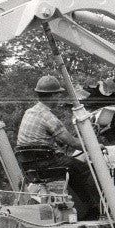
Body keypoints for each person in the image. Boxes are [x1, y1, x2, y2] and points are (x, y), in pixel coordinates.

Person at [16, 75, 100, 220]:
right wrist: (94, 147)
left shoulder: (29, 112)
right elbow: (72, 143)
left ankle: (83, 209)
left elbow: (39, 141)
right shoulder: (47, 116)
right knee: (83, 170)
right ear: (52, 95)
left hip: (31, 165)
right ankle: (94, 210)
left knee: (72, 167)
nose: (59, 98)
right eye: (58, 95)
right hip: (46, 162)